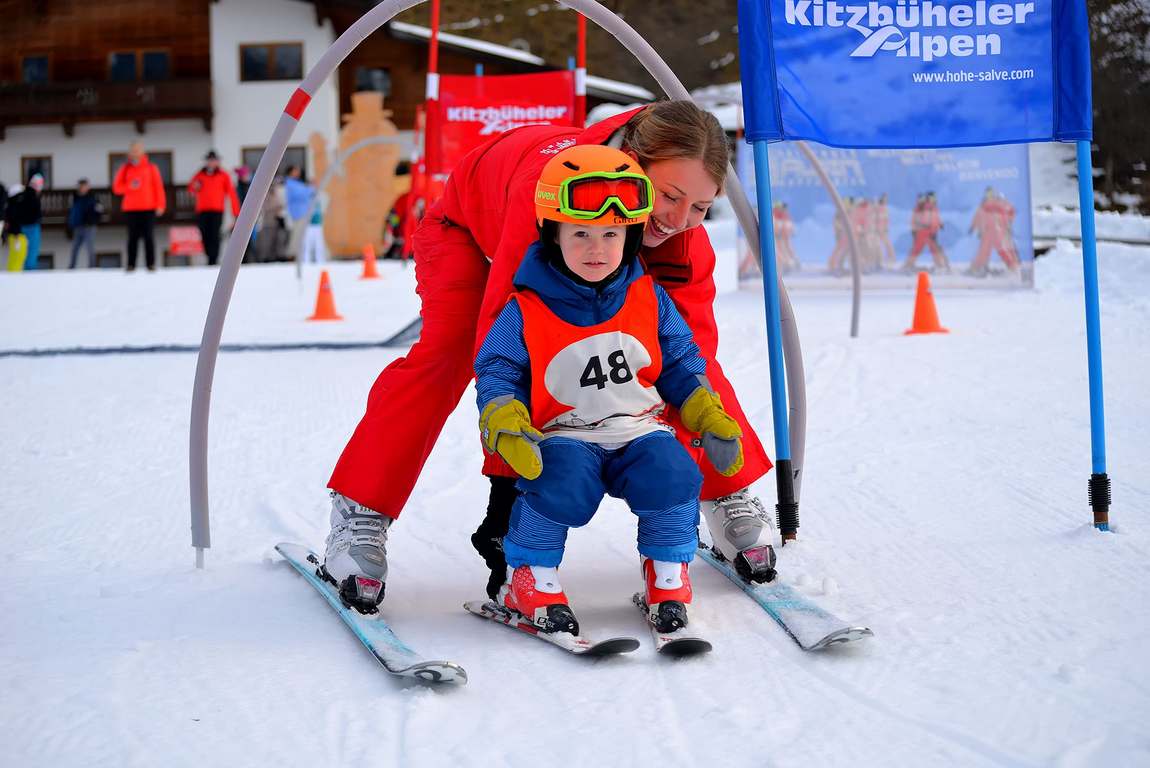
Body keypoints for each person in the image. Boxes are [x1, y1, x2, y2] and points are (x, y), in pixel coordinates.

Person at [320, 101, 775, 612]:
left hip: (604, 232)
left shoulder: (679, 233)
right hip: (469, 235)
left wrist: (710, 444)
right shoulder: (553, 182)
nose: (679, 220)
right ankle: (361, 508)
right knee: (448, 356)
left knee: (677, 351)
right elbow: (508, 343)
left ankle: (725, 492)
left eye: (700, 207)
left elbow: (690, 354)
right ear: (631, 162)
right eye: (670, 196)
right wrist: (508, 497)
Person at [469, 145, 745, 634]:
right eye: (580, 234)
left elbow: (681, 360)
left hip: (639, 430)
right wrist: (505, 419)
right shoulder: (525, 309)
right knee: (559, 483)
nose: (597, 250)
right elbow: (498, 370)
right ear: (553, 235)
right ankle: (529, 577)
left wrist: (707, 412)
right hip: (567, 433)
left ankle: (666, 576)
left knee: (674, 472)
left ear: (630, 236)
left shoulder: (648, 297)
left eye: (611, 235)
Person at [112, 142, 166, 272]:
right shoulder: (125, 169)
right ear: (130, 153)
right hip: (131, 209)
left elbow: (158, 187)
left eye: (137, 150)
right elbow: (116, 188)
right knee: (132, 237)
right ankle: (131, 264)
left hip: (148, 208)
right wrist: (129, 186)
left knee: (149, 236)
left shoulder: (151, 168)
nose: (135, 153)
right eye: (133, 150)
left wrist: (161, 205)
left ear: (142, 152)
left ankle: (151, 264)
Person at [188, 150, 240, 266]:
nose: (211, 163)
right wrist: (195, 187)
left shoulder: (223, 175)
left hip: (217, 210)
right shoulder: (199, 175)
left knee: (215, 234)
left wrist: (236, 212)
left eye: (214, 161)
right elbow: (191, 189)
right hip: (202, 210)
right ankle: (209, 255)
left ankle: (213, 260)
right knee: (204, 234)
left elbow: (231, 194)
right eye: (210, 161)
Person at [67, 178, 104, 269]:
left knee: (90, 247)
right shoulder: (75, 198)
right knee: (75, 248)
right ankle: (72, 266)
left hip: (89, 227)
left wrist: (94, 220)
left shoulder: (93, 198)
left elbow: (99, 210)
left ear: (88, 187)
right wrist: (70, 225)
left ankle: (92, 266)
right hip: (78, 226)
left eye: (84, 186)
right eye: (81, 186)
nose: (82, 188)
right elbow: (72, 213)